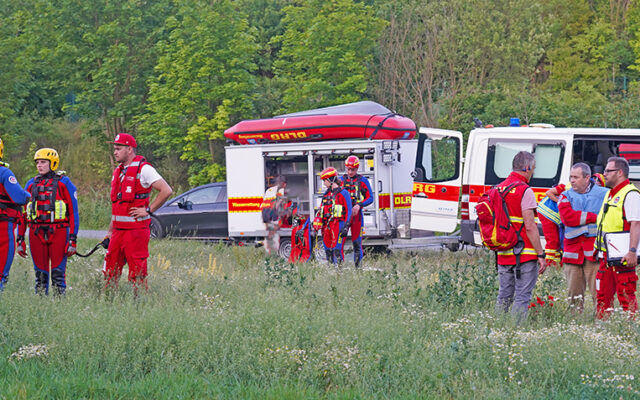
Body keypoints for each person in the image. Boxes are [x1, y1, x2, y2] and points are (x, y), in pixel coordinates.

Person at [104, 133, 172, 291]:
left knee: (138, 273)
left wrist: (148, 211)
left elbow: (166, 190)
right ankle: (109, 300)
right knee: (110, 271)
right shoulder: (119, 172)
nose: (115, 152)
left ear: (129, 149)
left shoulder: (144, 169)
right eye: (114, 149)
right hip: (117, 232)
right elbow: (117, 207)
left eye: (118, 148)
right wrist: (109, 232)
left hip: (135, 232)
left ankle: (139, 302)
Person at [18, 148, 79, 295]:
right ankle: (42, 306)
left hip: (58, 232)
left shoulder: (64, 183)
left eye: (43, 162)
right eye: (38, 162)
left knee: (58, 274)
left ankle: (59, 306)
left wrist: (73, 239)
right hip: (36, 232)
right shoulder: (31, 184)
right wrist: (20, 239)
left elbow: (74, 213)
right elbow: (23, 214)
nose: (40, 165)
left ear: (53, 163)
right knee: (40, 275)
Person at [494, 151, 546, 320]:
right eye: (534, 169)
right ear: (527, 167)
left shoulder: (497, 189)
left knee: (504, 296)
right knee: (522, 297)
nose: (533, 173)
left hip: (503, 252)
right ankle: (515, 333)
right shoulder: (525, 191)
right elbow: (530, 226)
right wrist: (541, 254)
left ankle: (498, 328)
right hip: (524, 254)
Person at [556, 162, 608, 312]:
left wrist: (581, 217)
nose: (572, 180)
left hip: (594, 252)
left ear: (587, 178)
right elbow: (567, 218)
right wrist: (593, 216)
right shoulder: (565, 195)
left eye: (576, 177)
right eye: (571, 177)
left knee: (599, 292)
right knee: (574, 295)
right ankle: (575, 323)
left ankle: (601, 321)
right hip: (573, 253)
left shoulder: (604, 194)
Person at [594, 156, 640, 319]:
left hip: (623, 256)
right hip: (606, 255)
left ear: (620, 172)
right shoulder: (611, 194)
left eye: (608, 170)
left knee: (626, 295)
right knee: (602, 296)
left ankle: (630, 331)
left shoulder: (630, 194)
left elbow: (636, 224)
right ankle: (602, 330)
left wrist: (632, 251)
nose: (604, 173)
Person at [0, 139, 31, 291]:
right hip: (3, 227)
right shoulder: (4, 172)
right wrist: (28, 195)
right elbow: (19, 197)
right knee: (1, 273)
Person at [312, 167, 352, 265]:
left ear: (331, 179)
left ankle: (339, 272)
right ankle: (331, 270)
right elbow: (321, 211)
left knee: (337, 250)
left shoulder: (344, 193)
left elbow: (349, 211)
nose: (324, 183)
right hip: (327, 227)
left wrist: (346, 227)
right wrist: (316, 224)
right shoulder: (326, 195)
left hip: (338, 225)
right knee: (328, 250)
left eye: (324, 181)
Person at [340, 156, 373, 268]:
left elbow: (370, 198)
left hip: (356, 216)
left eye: (352, 170)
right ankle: (339, 269)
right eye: (348, 169)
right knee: (339, 243)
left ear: (357, 168)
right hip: (344, 216)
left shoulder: (362, 181)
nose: (350, 172)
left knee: (357, 243)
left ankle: (358, 270)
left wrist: (359, 205)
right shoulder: (341, 180)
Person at [260, 175, 287, 256]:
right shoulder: (281, 190)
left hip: (264, 212)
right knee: (275, 233)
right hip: (271, 211)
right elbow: (277, 203)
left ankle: (268, 252)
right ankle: (274, 253)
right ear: (284, 184)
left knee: (269, 233)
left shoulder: (269, 189)